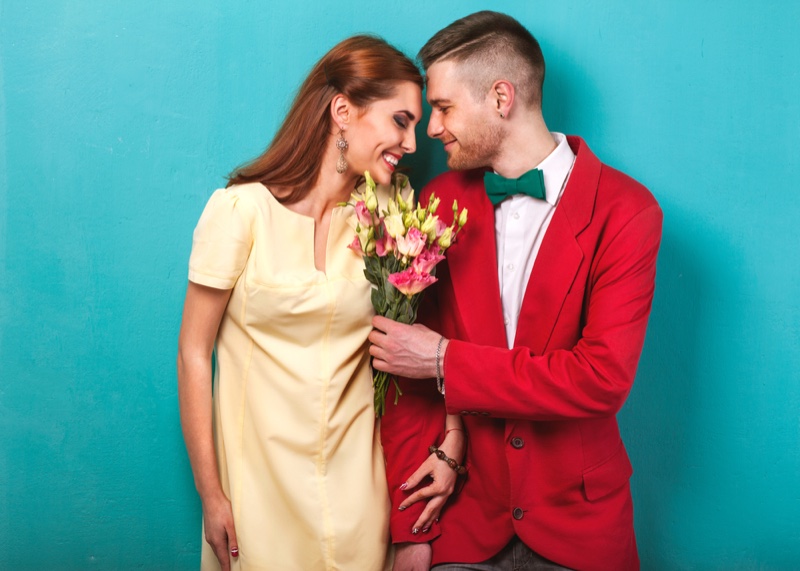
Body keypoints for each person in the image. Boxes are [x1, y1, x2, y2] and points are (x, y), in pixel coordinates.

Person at [370, 11, 663, 571]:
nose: (431, 128)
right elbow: (403, 376)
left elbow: (599, 381)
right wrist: (410, 534)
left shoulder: (628, 211)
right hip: (462, 522)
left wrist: (443, 359)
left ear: (501, 97)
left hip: (580, 529)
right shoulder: (440, 202)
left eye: (445, 107)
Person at [177, 35, 463, 571]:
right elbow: (194, 352)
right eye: (400, 120)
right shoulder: (240, 210)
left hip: (358, 492)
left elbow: (414, 352)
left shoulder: (393, 207)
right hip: (258, 490)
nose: (412, 141)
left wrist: (451, 440)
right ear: (342, 111)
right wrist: (211, 494)